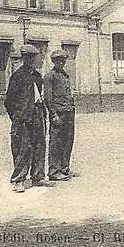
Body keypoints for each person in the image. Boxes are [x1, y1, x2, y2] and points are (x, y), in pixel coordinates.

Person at [4, 44, 50, 192]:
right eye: (33, 58)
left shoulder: (37, 76)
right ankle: (18, 180)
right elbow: (9, 101)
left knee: (39, 146)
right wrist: (17, 116)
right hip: (22, 118)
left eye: (36, 58)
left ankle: (37, 176)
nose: (36, 60)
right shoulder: (17, 76)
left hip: (37, 115)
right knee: (22, 148)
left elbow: (39, 96)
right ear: (26, 59)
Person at [47, 49, 77, 180]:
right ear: (54, 61)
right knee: (56, 142)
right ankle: (54, 171)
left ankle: (64, 168)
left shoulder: (65, 75)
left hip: (69, 113)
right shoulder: (50, 76)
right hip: (58, 114)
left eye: (63, 60)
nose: (61, 62)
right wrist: (53, 115)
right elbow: (48, 98)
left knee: (67, 141)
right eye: (58, 60)